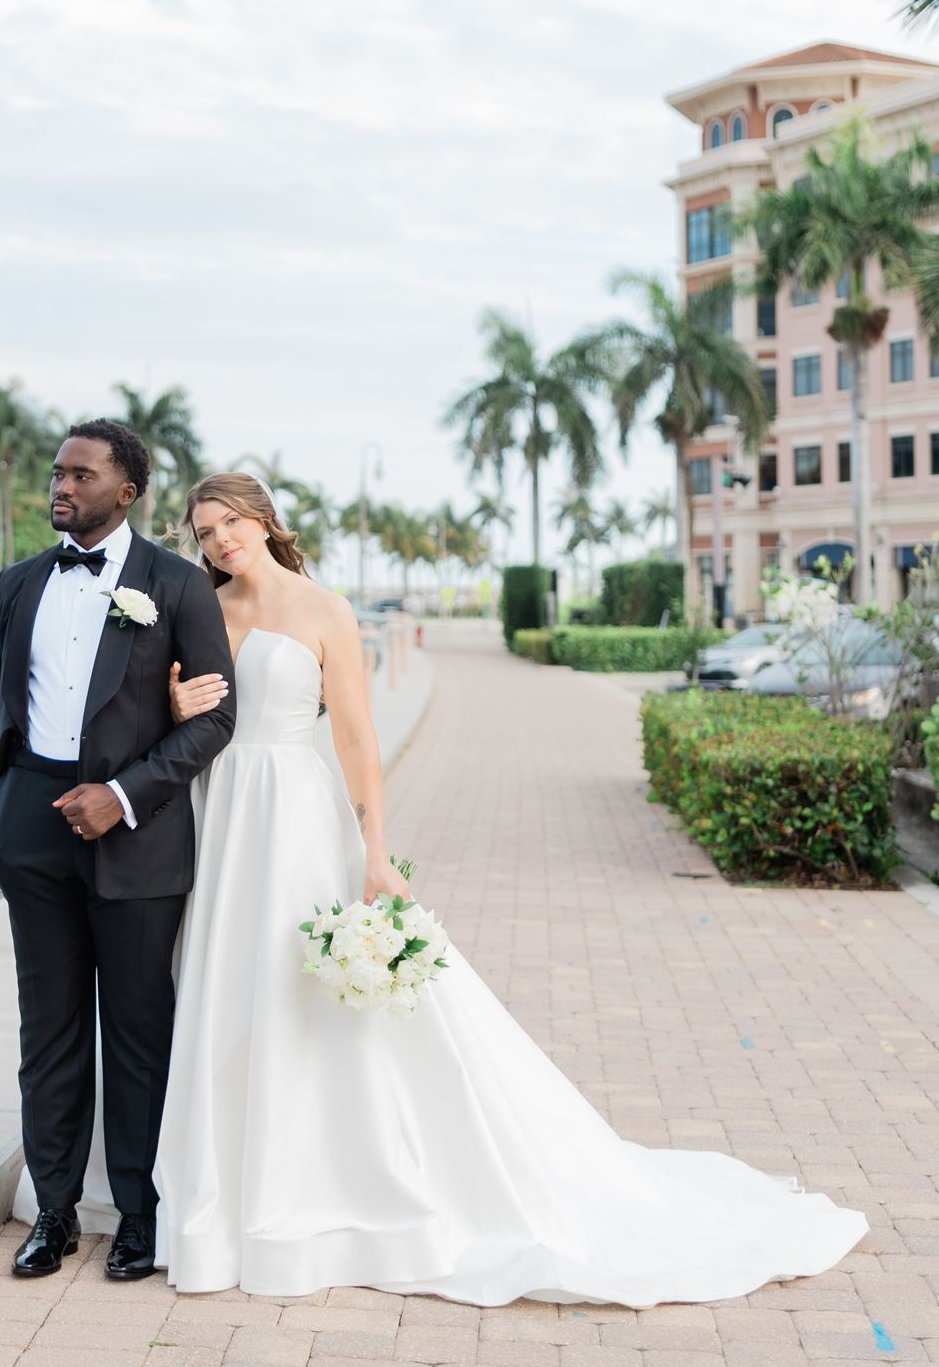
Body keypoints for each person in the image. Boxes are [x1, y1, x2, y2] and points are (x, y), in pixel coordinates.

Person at [151, 471, 867, 1305]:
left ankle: (313, 1175)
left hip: (294, 820)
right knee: (222, 985)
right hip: (219, 813)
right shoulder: (200, 609)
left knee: (298, 993)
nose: (217, 544)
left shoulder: (324, 610)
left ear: (264, 521)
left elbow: (354, 738)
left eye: (227, 524)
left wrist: (376, 853)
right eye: (202, 533)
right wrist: (173, 709)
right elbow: (185, 719)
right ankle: (221, 1177)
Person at [0, 421, 235, 1283]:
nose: (61, 484)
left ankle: (138, 1214)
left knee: (135, 1032)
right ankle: (52, 1212)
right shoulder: (16, 583)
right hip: (31, 830)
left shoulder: (178, 584)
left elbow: (215, 719)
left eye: (80, 474)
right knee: (46, 1028)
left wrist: (120, 796)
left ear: (126, 492)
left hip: (137, 837)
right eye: (57, 471)